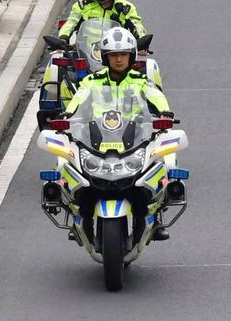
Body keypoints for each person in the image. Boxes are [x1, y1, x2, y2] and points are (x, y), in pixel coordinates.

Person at [65, 26, 172, 239]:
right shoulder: (91, 81)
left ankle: (157, 217)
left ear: (131, 56)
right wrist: (66, 115)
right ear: (105, 57)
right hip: (96, 138)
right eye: (114, 55)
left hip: (133, 138)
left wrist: (164, 112)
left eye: (123, 54)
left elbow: (156, 95)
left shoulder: (140, 80)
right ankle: (81, 222)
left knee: (159, 166)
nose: (119, 60)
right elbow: (78, 98)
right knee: (80, 180)